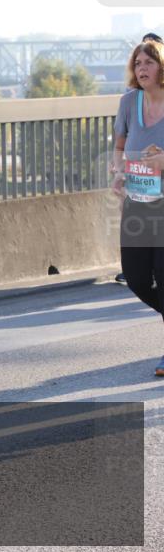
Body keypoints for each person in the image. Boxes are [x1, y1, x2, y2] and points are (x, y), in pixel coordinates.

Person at [112, 37, 164, 376]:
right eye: (138, 63)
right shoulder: (129, 102)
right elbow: (118, 145)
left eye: (148, 62)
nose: (141, 68)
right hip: (137, 202)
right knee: (135, 278)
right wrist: (118, 172)